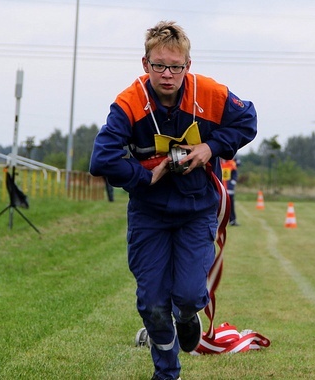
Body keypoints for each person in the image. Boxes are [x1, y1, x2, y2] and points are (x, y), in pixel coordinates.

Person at [90, 20, 257, 380]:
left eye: (175, 67)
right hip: (149, 212)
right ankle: (168, 373)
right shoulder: (128, 102)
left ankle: (187, 315)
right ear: (145, 64)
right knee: (151, 303)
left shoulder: (209, 93)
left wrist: (209, 147)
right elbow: (100, 159)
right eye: (159, 65)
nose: (167, 74)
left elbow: (248, 120)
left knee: (187, 295)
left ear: (188, 66)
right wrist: (144, 176)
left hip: (196, 210)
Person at [220, 157, 239, 225]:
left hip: (229, 188)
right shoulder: (218, 163)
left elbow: (235, 174)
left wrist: (232, 183)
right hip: (219, 187)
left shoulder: (231, 163)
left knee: (230, 204)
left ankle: (232, 220)